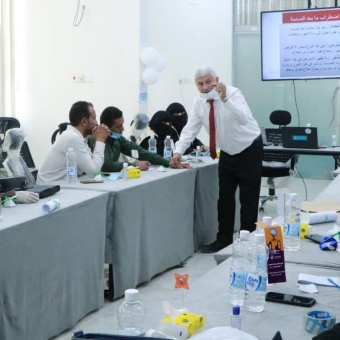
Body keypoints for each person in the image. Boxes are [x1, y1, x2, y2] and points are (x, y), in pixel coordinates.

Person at [170, 66, 263, 253]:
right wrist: (178, 151)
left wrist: (225, 99)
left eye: (207, 82)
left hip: (249, 147)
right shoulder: (199, 103)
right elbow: (190, 129)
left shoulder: (233, 93)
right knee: (225, 199)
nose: (204, 87)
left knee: (248, 199)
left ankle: (247, 241)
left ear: (216, 80)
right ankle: (224, 240)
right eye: (200, 84)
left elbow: (243, 118)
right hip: (227, 151)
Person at [87, 106, 190, 172]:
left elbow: (141, 152)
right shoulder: (97, 138)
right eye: (118, 126)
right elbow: (106, 165)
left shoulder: (118, 139)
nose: (122, 129)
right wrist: (135, 165)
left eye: (122, 125)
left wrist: (168, 162)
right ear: (106, 127)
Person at [37, 101, 110, 183]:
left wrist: (96, 140)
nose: (96, 123)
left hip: (64, 184)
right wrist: (100, 140)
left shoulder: (76, 136)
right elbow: (94, 172)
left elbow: (92, 166)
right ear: (84, 121)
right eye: (94, 118)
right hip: (51, 187)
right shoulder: (72, 138)